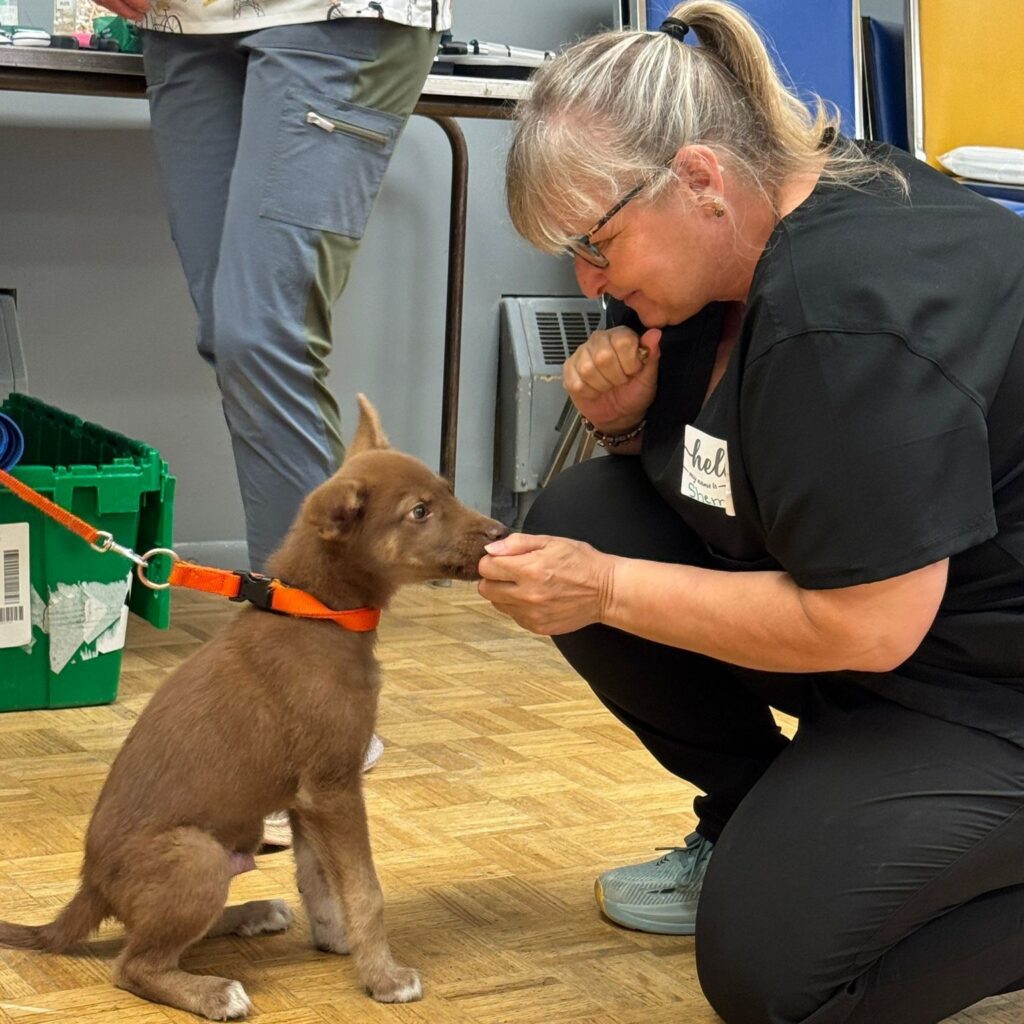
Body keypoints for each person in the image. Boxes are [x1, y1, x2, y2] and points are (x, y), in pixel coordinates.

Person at [478, 4, 1024, 1023]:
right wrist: (635, 427)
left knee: (776, 978)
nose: (589, 282)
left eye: (596, 245)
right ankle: (752, 821)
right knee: (587, 512)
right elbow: (756, 479)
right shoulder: (747, 237)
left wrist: (601, 588)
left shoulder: (844, 309)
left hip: (985, 687)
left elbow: (865, 623)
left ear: (697, 177)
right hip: (919, 641)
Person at [92, 0, 449, 835]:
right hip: (181, 20)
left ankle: (317, 708)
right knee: (231, 333)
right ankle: (299, 696)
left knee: (264, 335)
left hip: (332, 16)